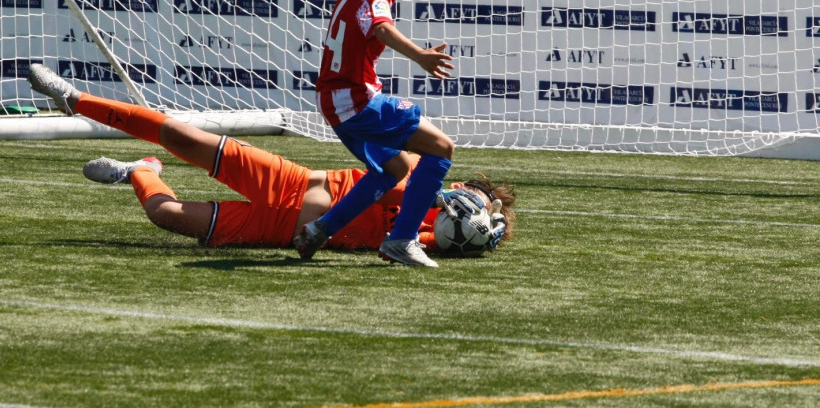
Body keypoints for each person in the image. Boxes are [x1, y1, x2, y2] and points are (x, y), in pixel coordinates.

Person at [27, 64, 516, 253]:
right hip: (291, 184)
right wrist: (470, 205)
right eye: (476, 195)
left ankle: (140, 171)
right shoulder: (416, 174)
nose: (469, 204)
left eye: (479, 205)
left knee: (165, 215)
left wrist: (472, 239)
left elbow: (426, 241)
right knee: (179, 134)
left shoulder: (425, 232)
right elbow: (409, 171)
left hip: (282, 232)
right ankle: (76, 99)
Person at [295, 0, 456, 267]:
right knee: (442, 148)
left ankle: (320, 229)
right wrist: (421, 56)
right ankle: (402, 240)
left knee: (395, 168)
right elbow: (381, 28)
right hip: (354, 101)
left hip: (335, 102)